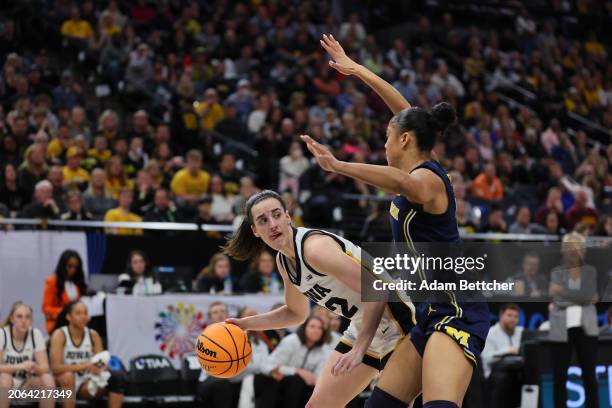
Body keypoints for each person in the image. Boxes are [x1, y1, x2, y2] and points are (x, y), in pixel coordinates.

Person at [301, 34, 490, 408]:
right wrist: (356, 70)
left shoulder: (428, 180)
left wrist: (339, 165)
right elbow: (405, 112)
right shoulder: (415, 143)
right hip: (428, 311)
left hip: (455, 309)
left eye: (387, 137)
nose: (383, 145)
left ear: (404, 141)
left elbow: (404, 181)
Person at [224, 190, 414, 407]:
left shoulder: (315, 249)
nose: (273, 224)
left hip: (396, 320)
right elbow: (296, 313)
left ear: (288, 216)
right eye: (263, 220)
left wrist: (359, 349)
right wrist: (244, 324)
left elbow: (376, 290)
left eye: (277, 215)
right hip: (364, 325)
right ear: (255, 231)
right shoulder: (284, 262)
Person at [548, 232, 599, 408]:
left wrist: (562, 291)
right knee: (560, 375)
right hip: (562, 329)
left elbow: (585, 294)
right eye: (569, 247)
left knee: (589, 374)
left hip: (586, 329)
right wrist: (585, 298)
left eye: (576, 247)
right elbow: (584, 297)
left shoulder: (590, 271)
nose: (572, 251)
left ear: (582, 250)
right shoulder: (556, 272)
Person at [49, 301, 125, 408]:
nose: (83, 316)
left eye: (85, 313)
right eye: (78, 313)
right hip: (62, 383)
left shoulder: (93, 335)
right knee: (67, 376)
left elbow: (101, 361)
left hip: (86, 381)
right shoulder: (60, 334)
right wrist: (85, 366)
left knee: (117, 377)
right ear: (69, 317)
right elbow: (55, 368)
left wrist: (99, 368)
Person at [255, 316, 332, 408]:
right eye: (312, 326)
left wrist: (312, 379)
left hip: (303, 388)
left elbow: (318, 378)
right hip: (281, 382)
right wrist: (297, 371)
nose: (316, 330)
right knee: (294, 381)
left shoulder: (324, 350)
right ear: (304, 328)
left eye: (320, 328)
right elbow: (267, 366)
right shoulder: (291, 341)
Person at [0, 302, 55, 408]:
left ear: (32, 320)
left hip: (24, 387)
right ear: (12, 319)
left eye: (27, 317)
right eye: (19, 317)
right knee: (5, 377)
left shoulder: (36, 334)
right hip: (3, 385)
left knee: (47, 379)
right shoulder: (2, 334)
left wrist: (35, 367)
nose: (23, 321)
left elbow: (45, 368)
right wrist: (20, 366)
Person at [481, 303, 523, 408]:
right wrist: (507, 350)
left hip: (517, 370)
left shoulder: (521, 332)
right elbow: (486, 358)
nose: (513, 319)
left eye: (515, 316)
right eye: (509, 315)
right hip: (495, 373)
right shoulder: (491, 333)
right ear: (501, 315)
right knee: (502, 378)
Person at [42, 250, 88, 334]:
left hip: (77, 323)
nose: (73, 270)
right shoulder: (52, 282)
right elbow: (46, 308)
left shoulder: (78, 283)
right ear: (63, 265)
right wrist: (65, 311)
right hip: (59, 323)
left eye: (75, 267)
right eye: (69, 266)